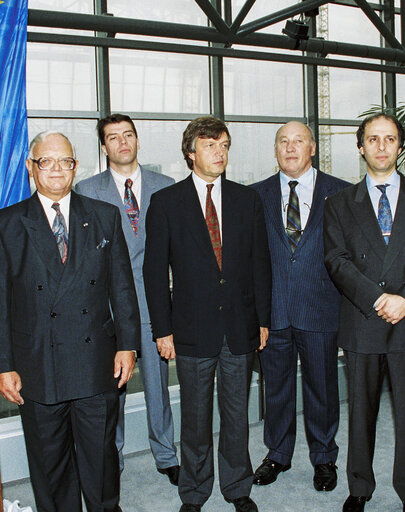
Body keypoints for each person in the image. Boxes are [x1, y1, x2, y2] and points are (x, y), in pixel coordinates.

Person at [0, 131, 140, 512]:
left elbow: (122, 286)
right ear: (30, 167)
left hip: (95, 362)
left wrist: (128, 344)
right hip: (37, 364)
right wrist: (3, 366)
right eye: (46, 161)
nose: (57, 170)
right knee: (50, 467)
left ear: (76, 166)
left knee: (101, 460)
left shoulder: (103, 216)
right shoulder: (5, 224)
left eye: (66, 161)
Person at [143, 116, 271, 512]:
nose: (220, 152)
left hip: (239, 328)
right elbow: (153, 270)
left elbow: (260, 265)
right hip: (191, 330)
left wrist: (262, 320)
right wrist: (162, 330)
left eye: (225, 145)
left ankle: (237, 489)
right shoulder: (166, 202)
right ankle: (195, 493)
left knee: (236, 417)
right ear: (190, 153)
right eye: (211, 145)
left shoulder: (247, 200)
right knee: (195, 421)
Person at [323, 113, 405, 512]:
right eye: (373, 139)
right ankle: (359, 487)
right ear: (360, 147)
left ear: (399, 146)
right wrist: (377, 299)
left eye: (389, 139)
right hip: (364, 321)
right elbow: (336, 259)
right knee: (361, 413)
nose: (381, 146)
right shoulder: (340, 203)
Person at [75, 114, 180, 483]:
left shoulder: (166, 186)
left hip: (154, 305)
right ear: (103, 147)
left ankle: (166, 455)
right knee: (111, 392)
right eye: (113, 137)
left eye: (128, 135)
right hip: (108, 311)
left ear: (137, 140)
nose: (122, 142)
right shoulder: (86, 192)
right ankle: (111, 457)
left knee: (158, 387)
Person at [249, 121, 349, 491]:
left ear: (313, 147)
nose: (290, 148)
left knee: (323, 387)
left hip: (320, 307)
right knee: (275, 388)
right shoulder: (253, 196)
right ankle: (277, 454)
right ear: (275, 151)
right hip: (271, 312)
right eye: (283, 142)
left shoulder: (340, 193)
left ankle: (324, 458)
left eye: (298, 141)